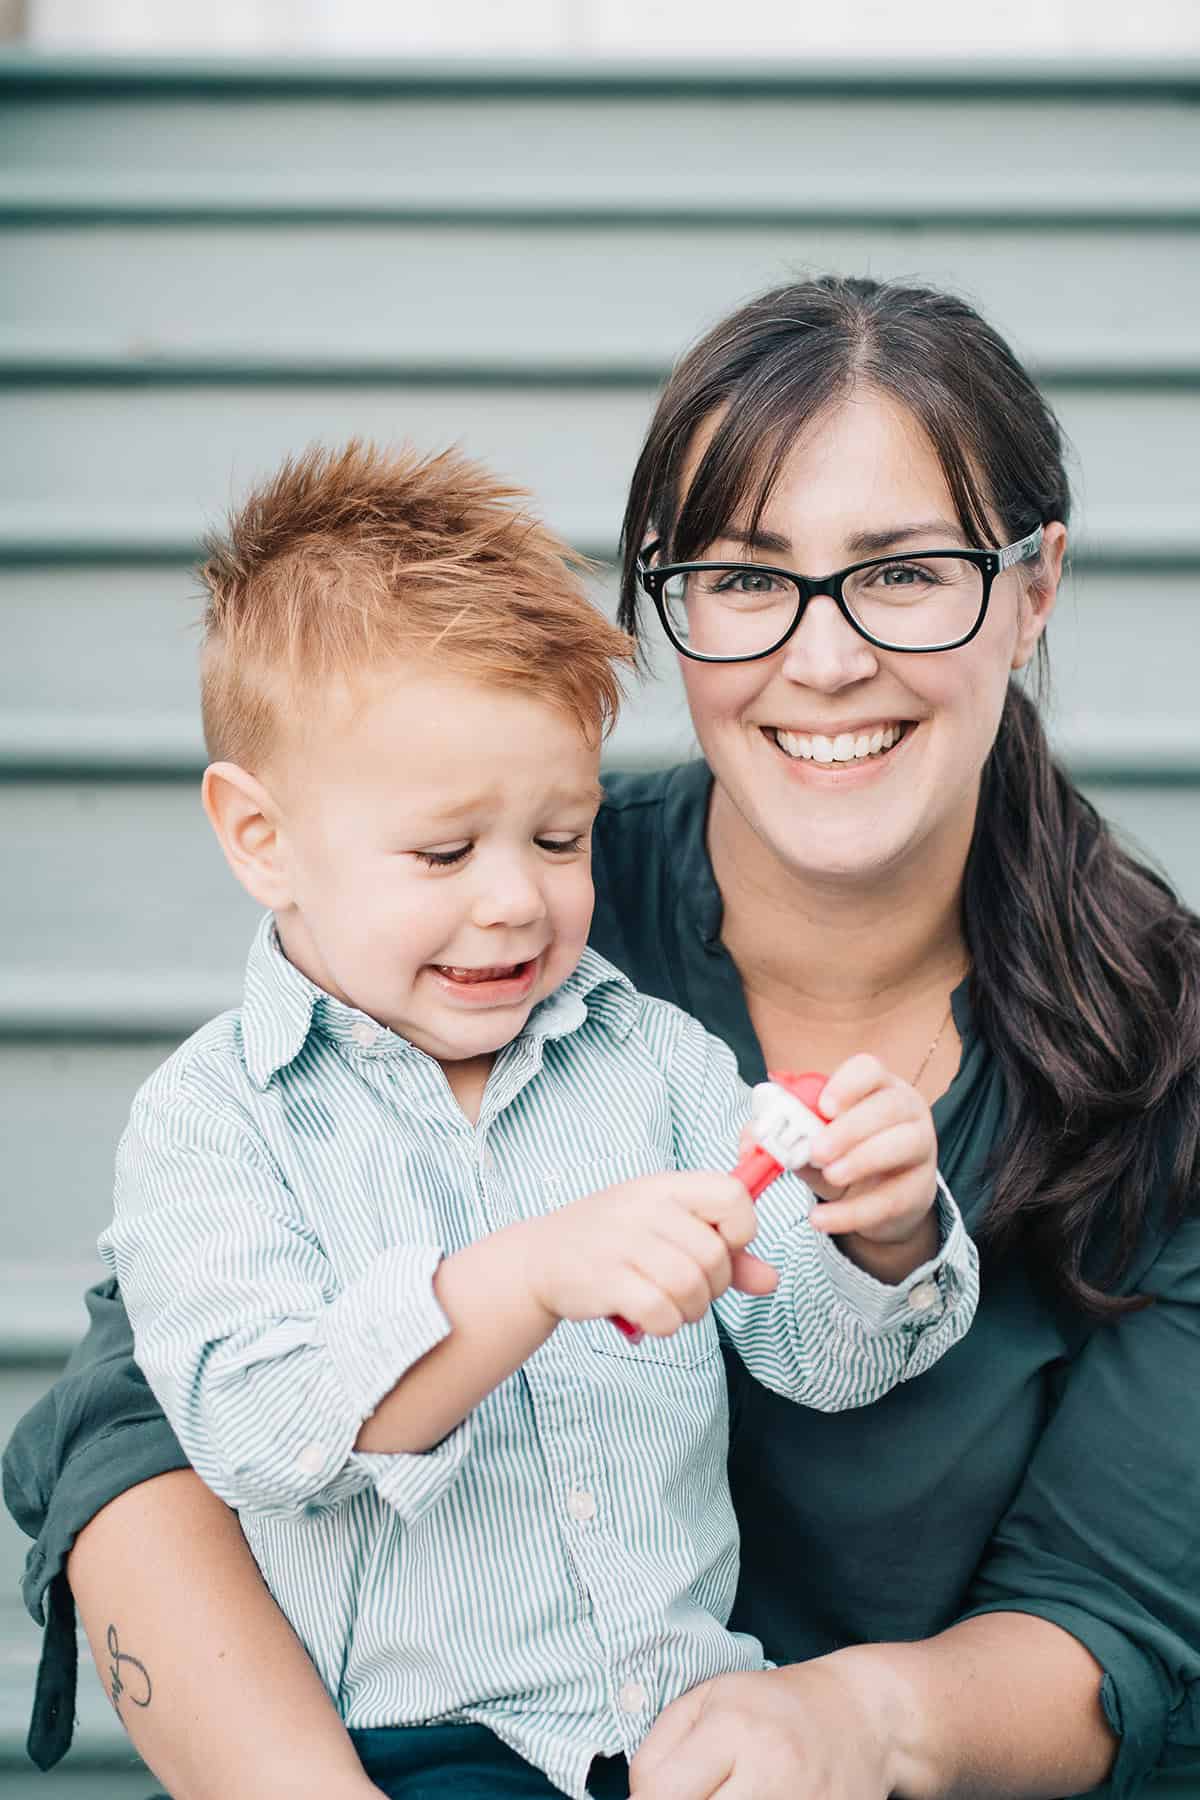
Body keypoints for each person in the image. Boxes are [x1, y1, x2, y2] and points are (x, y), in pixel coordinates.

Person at [5, 274, 1200, 1800]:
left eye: (904, 573)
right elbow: (155, 1413)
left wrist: (893, 1252)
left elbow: (1116, 1614)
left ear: (1034, 588)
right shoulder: (502, 945)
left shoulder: (1156, 1051)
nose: (823, 660)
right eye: (746, 578)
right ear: (667, 606)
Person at [80, 439, 977, 1800]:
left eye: (560, 839)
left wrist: (884, 1237)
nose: (515, 900)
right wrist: (518, 1280)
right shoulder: (216, 1125)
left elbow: (812, 1355)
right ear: (262, 838)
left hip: (688, 1733)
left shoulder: (659, 1065)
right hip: (418, 1752)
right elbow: (261, 1427)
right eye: (446, 851)